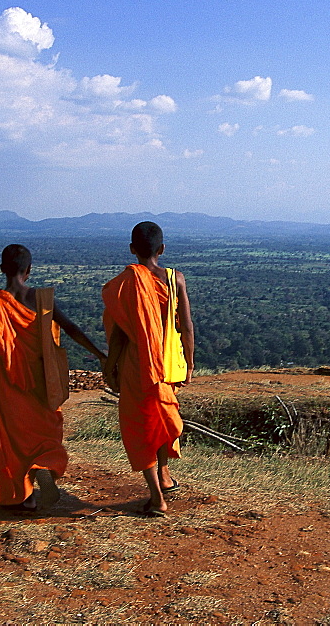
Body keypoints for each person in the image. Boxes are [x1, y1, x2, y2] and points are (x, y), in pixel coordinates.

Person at [0, 244, 106, 512]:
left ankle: (24, 496)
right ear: (29, 271)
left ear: (2, 268)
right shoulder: (42, 300)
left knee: (11, 439)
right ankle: (42, 465)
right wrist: (100, 354)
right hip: (40, 381)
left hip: (6, 386)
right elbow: (73, 329)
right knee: (44, 431)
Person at [102, 221, 195, 517]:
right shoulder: (175, 278)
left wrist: (110, 367)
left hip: (135, 365)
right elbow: (187, 326)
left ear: (132, 250)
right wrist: (189, 363)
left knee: (141, 426)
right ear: (162, 249)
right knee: (160, 420)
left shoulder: (125, 282)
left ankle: (157, 496)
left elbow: (119, 334)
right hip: (167, 365)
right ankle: (164, 480)